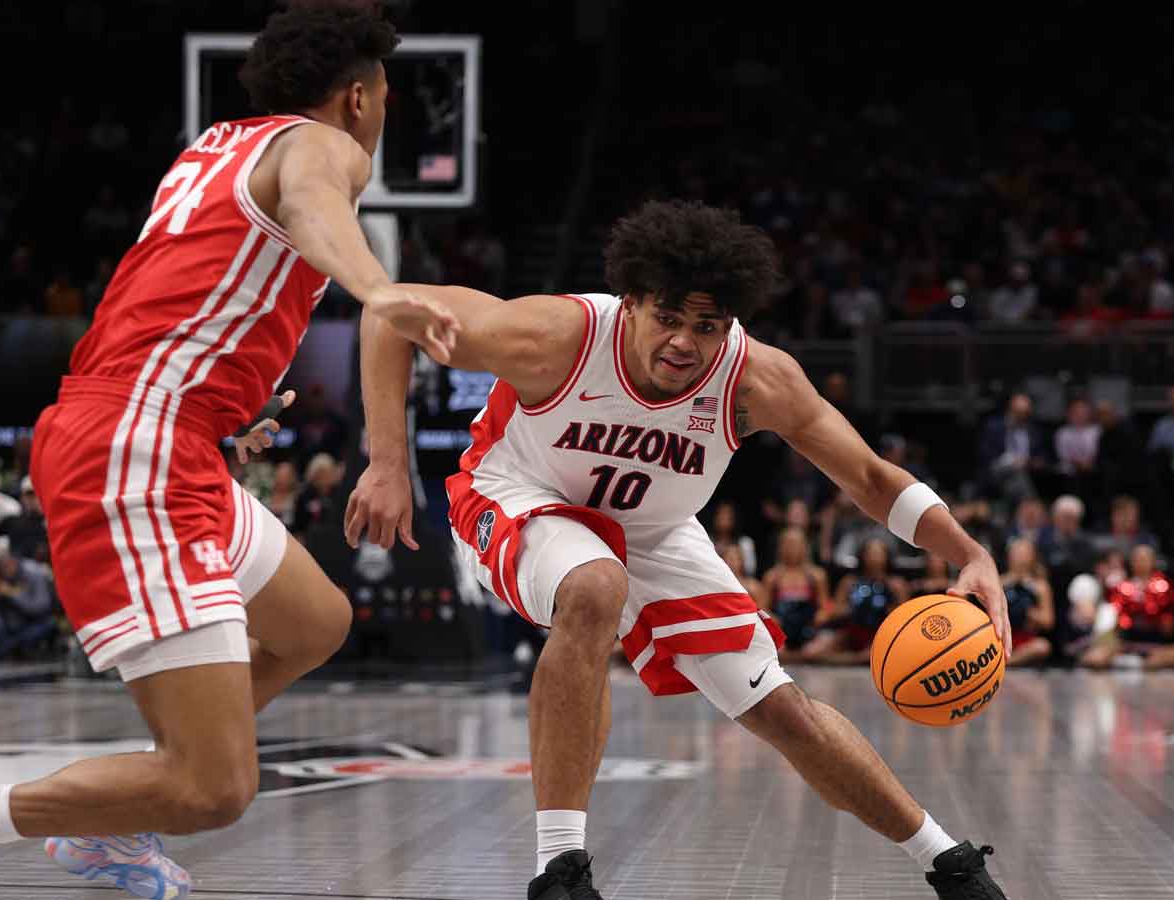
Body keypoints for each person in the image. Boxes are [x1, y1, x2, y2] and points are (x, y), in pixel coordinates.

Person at [0, 5, 460, 899]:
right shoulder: (323, 148)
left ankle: (112, 821)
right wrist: (379, 292)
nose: (382, 116)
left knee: (316, 623)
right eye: (384, 98)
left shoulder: (214, 147)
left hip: (161, 433)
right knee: (214, 787)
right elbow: (311, 200)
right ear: (357, 97)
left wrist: (221, 397)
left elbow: (182, 293)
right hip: (136, 450)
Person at [348, 199, 1011, 899]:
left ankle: (949, 864)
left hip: (654, 530)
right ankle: (559, 871)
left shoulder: (756, 379)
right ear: (629, 303)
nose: (685, 343)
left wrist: (971, 554)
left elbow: (871, 478)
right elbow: (389, 311)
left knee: (781, 709)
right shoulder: (557, 337)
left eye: (707, 326)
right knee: (595, 585)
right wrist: (387, 463)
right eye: (668, 317)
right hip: (515, 492)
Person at [1080, 544, 1174, 670]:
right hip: (1127, 645)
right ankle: (1133, 662)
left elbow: (1169, 629)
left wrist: (1154, 613)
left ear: (1153, 561)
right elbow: (1114, 625)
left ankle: (1141, 663)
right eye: (1137, 559)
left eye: (1145, 559)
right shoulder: (1121, 588)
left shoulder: (1163, 588)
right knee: (1095, 658)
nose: (1141, 563)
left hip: (1155, 647)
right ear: (1131, 562)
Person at [814, 537, 910, 665]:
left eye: (878, 553)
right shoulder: (849, 582)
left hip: (882, 633)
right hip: (853, 630)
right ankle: (859, 658)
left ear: (886, 556)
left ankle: (862, 657)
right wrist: (854, 608)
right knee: (818, 649)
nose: (874, 558)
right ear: (862, 555)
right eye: (870, 553)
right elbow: (836, 611)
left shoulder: (896, 584)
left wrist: (887, 610)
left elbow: (906, 617)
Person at [759, 526, 830, 662]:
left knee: (823, 644)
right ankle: (794, 656)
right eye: (789, 544)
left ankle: (802, 655)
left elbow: (825, 606)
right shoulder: (772, 577)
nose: (793, 548)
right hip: (782, 631)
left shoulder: (817, 576)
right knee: (770, 647)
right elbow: (763, 609)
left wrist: (820, 616)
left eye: (797, 544)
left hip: (809, 630)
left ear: (805, 547)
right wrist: (774, 619)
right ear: (781, 547)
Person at [1000, 537, 1054, 666]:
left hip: (1025, 639)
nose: (1020, 558)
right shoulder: (999, 582)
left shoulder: (1040, 586)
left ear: (1033, 557)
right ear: (1009, 557)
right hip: (1002, 637)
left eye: (1024, 554)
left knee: (1042, 646)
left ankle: (1006, 662)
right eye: (1017, 553)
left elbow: (1048, 620)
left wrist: (1028, 612)